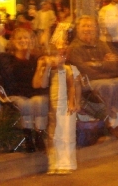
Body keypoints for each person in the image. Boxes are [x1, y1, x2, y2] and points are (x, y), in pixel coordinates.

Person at [68, 16, 118, 139]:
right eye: (84, 26)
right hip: (86, 82)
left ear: (96, 29)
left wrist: (97, 64)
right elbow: (85, 70)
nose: (88, 29)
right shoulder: (75, 48)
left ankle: (117, 121)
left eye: (91, 26)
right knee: (108, 85)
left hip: (106, 78)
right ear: (78, 29)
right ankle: (109, 123)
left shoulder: (102, 44)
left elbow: (116, 66)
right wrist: (105, 66)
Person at [0, 28, 49, 152]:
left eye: (26, 38)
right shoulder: (4, 57)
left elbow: (40, 82)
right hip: (15, 93)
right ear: (12, 41)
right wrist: (22, 54)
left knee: (39, 101)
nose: (23, 40)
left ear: (32, 40)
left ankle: (39, 136)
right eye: (19, 38)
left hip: (34, 92)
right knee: (26, 103)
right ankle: (28, 137)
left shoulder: (37, 57)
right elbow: (9, 76)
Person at [33, 46, 80, 175]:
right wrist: (44, 67)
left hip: (65, 106)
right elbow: (40, 84)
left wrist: (72, 102)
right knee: (53, 134)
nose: (55, 59)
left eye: (59, 56)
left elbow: (72, 87)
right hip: (53, 107)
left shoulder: (67, 69)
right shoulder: (49, 71)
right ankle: (53, 162)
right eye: (53, 56)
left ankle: (66, 163)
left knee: (66, 133)